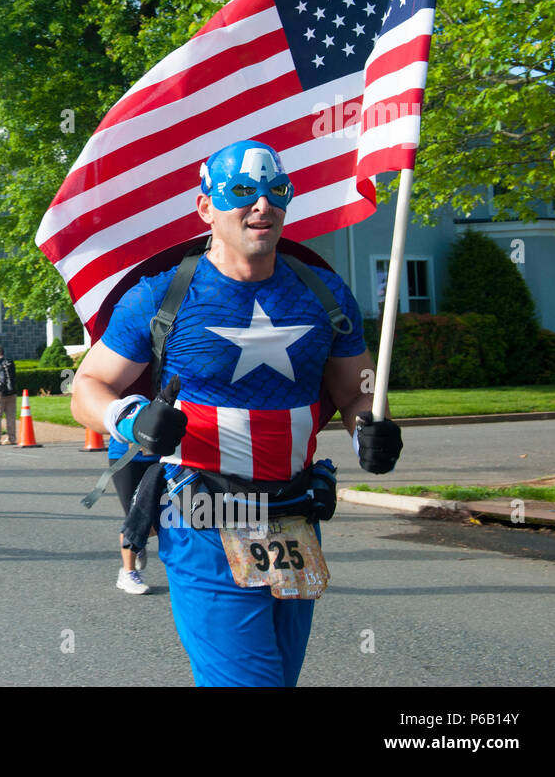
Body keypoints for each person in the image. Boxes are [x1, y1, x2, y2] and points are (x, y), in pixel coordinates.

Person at [71, 139, 403, 687]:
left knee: (277, 676)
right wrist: (129, 419)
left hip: (296, 516)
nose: (262, 205)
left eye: (276, 192)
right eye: (242, 193)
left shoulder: (325, 293)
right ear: (206, 207)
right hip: (203, 516)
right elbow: (90, 385)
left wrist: (371, 424)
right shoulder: (162, 296)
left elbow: (357, 390)